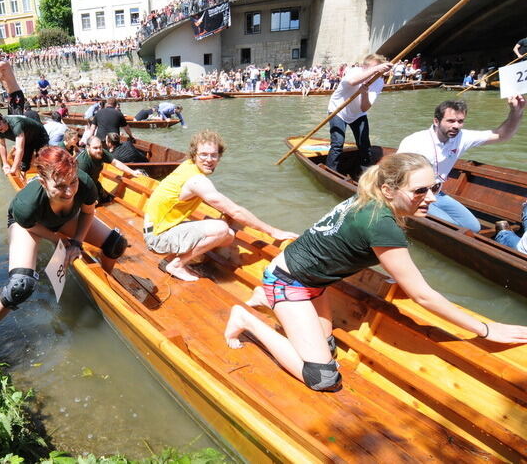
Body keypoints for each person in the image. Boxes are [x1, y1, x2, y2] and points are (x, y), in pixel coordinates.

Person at [223, 153, 527, 392]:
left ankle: (267, 299)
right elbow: (422, 295)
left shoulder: (370, 198)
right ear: (388, 189)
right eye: (420, 190)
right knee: (323, 376)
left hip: (310, 281)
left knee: (328, 346)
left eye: (435, 187)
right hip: (289, 282)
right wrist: (486, 329)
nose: (432, 197)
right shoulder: (379, 222)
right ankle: (246, 318)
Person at [0, 146, 129, 362]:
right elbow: (29, 225)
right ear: (42, 182)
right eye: (60, 186)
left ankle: (105, 284)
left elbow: (87, 212)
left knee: (116, 244)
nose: (70, 192)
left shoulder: (84, 183)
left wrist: (76, 242)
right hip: (30, 224)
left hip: (63, 219)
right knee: (20, 287)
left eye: (73, 182)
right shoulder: (26, 205)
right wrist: (59, 239)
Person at [143, 130, 297, 282]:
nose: (209, 159)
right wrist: (274, 232)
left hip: (157, 228)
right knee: (221, 229)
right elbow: (235, 211)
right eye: (203, 154)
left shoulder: (188, 166)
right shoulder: (197, 180)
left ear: (219, 157)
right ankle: (177, 265)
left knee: (228, 236)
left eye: (213, 155)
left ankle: (180, 257)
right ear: (194, 155)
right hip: (156, 238)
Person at [397, 97, 524, 231]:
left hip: (437, 192)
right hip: (416, 195)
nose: (456, 126)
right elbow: (395, 174)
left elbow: (501, 135)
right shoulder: (414, 141)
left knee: (473, 227)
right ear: (436, 121)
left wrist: (516, 111)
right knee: (452, 227)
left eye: (460, 121)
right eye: (450, 121)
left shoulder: (462, 137)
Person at [325, 54, 392, 171]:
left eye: (380, 68)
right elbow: (352, 82)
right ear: (364, 67)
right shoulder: (355, 71)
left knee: (364, 144)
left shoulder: (379, 82)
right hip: (338, 110)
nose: (378, 72)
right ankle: (331, 171)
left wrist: (364, 93)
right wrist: (376, 69)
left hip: (357, 114)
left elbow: (364, 108)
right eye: (375, 68)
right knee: (338, 143)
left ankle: (366, 170)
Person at [77, 136, 143, 203]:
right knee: (94, 203)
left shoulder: (102, 153)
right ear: (88, 148)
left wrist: (132, 172)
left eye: (100, 147)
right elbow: (80, 185)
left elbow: (115, 162)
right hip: (83, 188)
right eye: (95, 148)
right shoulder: (83, 163)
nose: (99, 150)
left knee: (108, 200)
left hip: (94, 183)